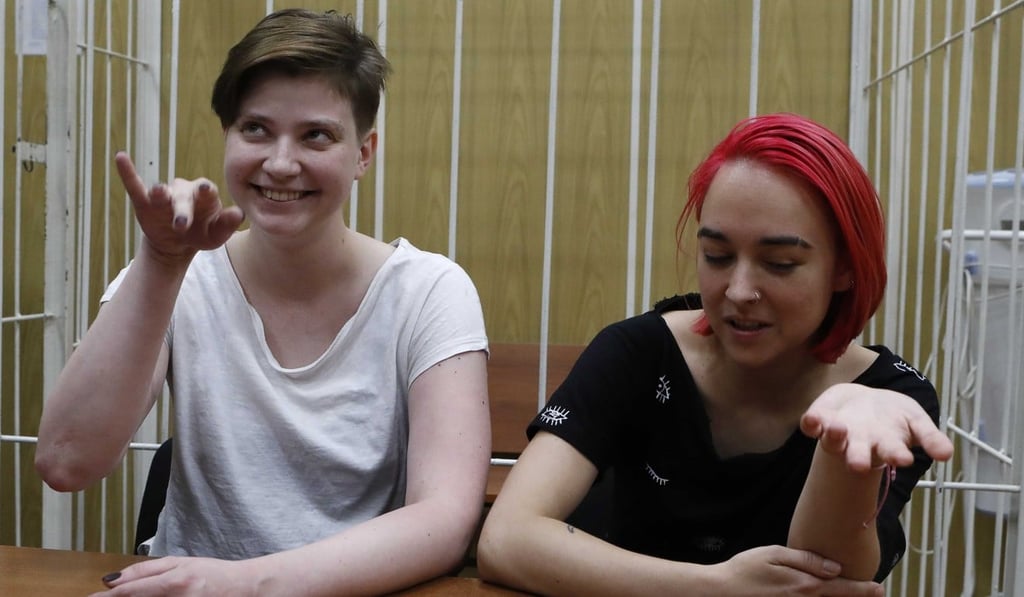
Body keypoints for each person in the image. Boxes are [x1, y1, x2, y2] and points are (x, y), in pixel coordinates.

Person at [35, 9, 491, 596]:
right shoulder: (176, 272)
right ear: (227, 134)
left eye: (316, 135)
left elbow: (444, 522)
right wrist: (161, 262)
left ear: (364, 153)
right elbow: (65, 462)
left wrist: (246, 584)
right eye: (255, 129)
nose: (280, 162)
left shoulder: (430, 291)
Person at [476, 113, 954, 596]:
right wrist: (715, 589)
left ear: (845, 269)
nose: (740, 290)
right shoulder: (640, 352)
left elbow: (827, 580)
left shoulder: (888, 400)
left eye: (780, 263)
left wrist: (843, 444)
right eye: (718, 256)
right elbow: (507, 539)